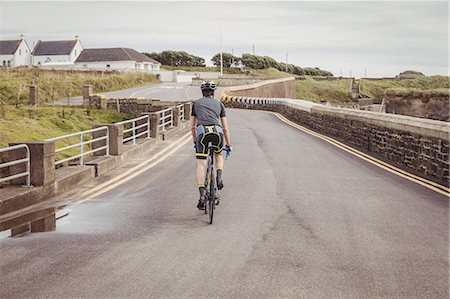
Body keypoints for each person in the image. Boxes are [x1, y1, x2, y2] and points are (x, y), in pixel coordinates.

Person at [190, 80, 232, 210]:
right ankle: (219, 177)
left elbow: (192, 126)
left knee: (201, 164)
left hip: (202, 133)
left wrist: (194, 140)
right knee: (218, 155)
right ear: (213, 92)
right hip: (217, 132)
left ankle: (202, 196)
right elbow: (225, 128)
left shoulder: (196, 104)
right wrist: (229, 145)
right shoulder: (219, 104)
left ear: (202, 92)